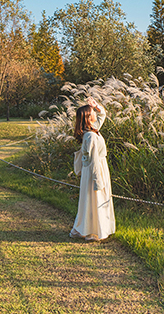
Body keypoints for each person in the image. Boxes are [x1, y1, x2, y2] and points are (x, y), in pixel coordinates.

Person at [69, 96, 115, 242]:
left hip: (96, 168)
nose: (95, 113)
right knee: (95, 199)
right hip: (96, 170)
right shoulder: (91, 136)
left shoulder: (93, 130)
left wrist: (95, 106)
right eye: (92, 112)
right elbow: (94, 161)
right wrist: (98, 180)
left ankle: (89, 229)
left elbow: (103, 114)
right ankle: (91, 231)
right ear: (89, 118)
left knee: (92, 200)